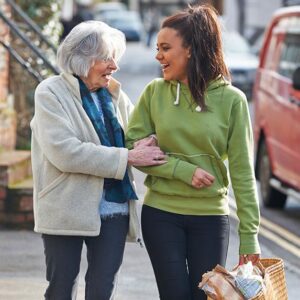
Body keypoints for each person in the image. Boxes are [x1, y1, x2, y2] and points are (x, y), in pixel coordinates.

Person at [126, 4, 261, 300]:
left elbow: (242, 172)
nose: (158, 55)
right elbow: (132, 148)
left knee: (204, 298)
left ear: (190, 50)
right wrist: (182, 171)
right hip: (161, 213)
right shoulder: (154, 93)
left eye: (165, 48)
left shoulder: (232, 101)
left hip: (210, 218)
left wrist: (250, 236)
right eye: (157, 48)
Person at [30, 20, 166, 300]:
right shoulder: (50, 92)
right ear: (82, 60)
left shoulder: (115, 94)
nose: (114, 66)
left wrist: (144, 142)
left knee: (103, 290)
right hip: (65, 207)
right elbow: (64, 152)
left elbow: (135, 135)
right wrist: (127, 156)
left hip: (114, 210)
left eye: (115, 58)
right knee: (61, 288)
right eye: (106, 59)